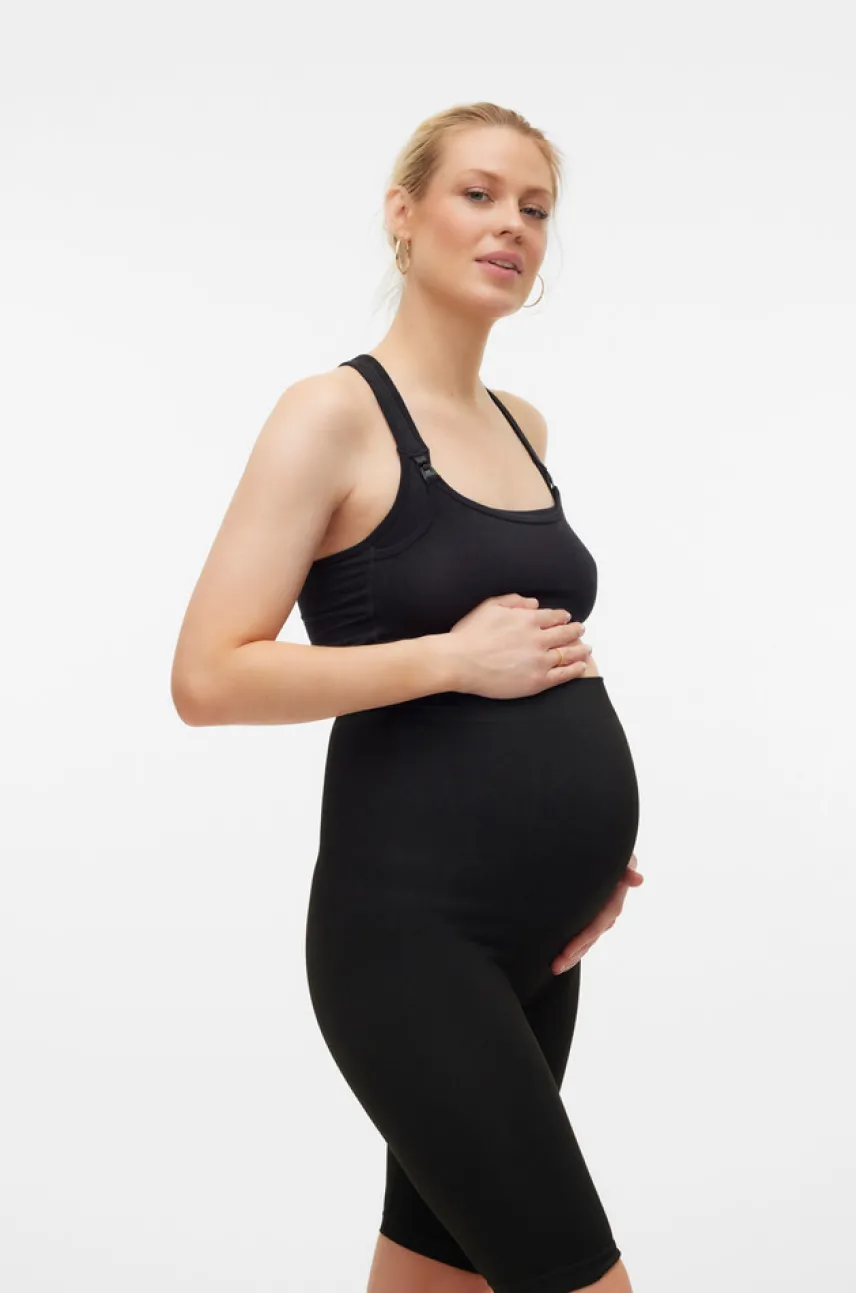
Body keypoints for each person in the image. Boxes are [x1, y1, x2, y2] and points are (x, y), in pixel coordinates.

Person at [171, 101, 643, 1293]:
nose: (511, 225)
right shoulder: (331, 414)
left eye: (535, 208)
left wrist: (585, 848)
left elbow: (535, 654)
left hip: (541, 944)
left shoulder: (524, 428)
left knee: (439, 1277)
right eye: (478, 194)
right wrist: (450, 660)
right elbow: (209, 673)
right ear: (403, 212)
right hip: (410, 939)